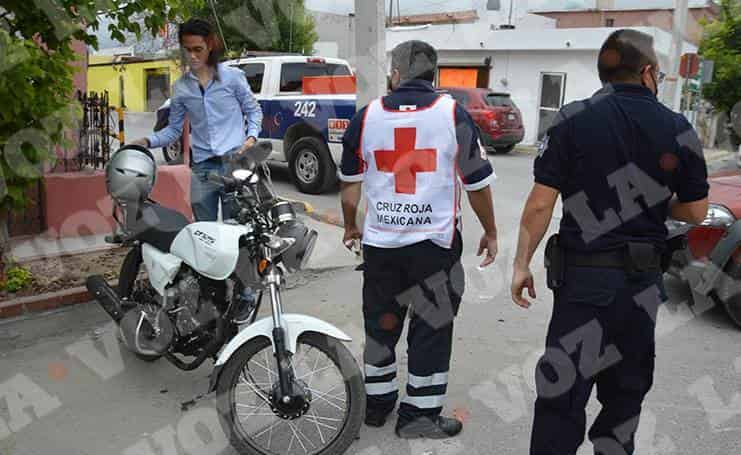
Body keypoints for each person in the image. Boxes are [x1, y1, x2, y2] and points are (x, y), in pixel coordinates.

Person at [511, 29, 709, 455]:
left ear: (604, 75)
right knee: (624, 399)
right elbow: (695, 211)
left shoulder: (571, 119)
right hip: (639, 289)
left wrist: (521, 263)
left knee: (561, 400)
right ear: (649, 72)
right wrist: (658, 202)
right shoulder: (678, 128)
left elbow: (540, 205)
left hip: (581, 285)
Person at [340, 40, 499, 439]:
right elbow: (477, 184)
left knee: (380, 325)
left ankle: (375, 406)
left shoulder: (366, 117)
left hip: (381, 246)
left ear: (395, 73)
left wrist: (349, 226)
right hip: (434, 246)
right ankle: (418, 417)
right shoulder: (452, 114)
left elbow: (349, 189)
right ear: (435, 74)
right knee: (430, 328)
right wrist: (491, 231)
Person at [132, 18, 263, 222]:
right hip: (202, 170)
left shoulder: (233, 77)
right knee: (205, 235)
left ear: (210, 45)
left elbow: (253, 111)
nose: (192, 56)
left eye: (198, 49)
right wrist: (147, 141)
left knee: (240, 231)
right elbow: (174, 130)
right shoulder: (181, 88)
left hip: (236, 164)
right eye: (187, 50)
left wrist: (251, 138)